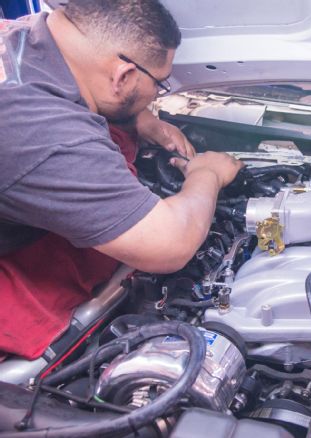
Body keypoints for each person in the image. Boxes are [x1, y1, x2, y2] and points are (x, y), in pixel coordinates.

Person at [0, 0, 243, 359]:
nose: (157, 94)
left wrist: (143, 120)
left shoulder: (23, 36)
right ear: (123, 75)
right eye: (159, 85)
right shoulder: (40, 129)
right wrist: (207, 174)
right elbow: (169, 244)